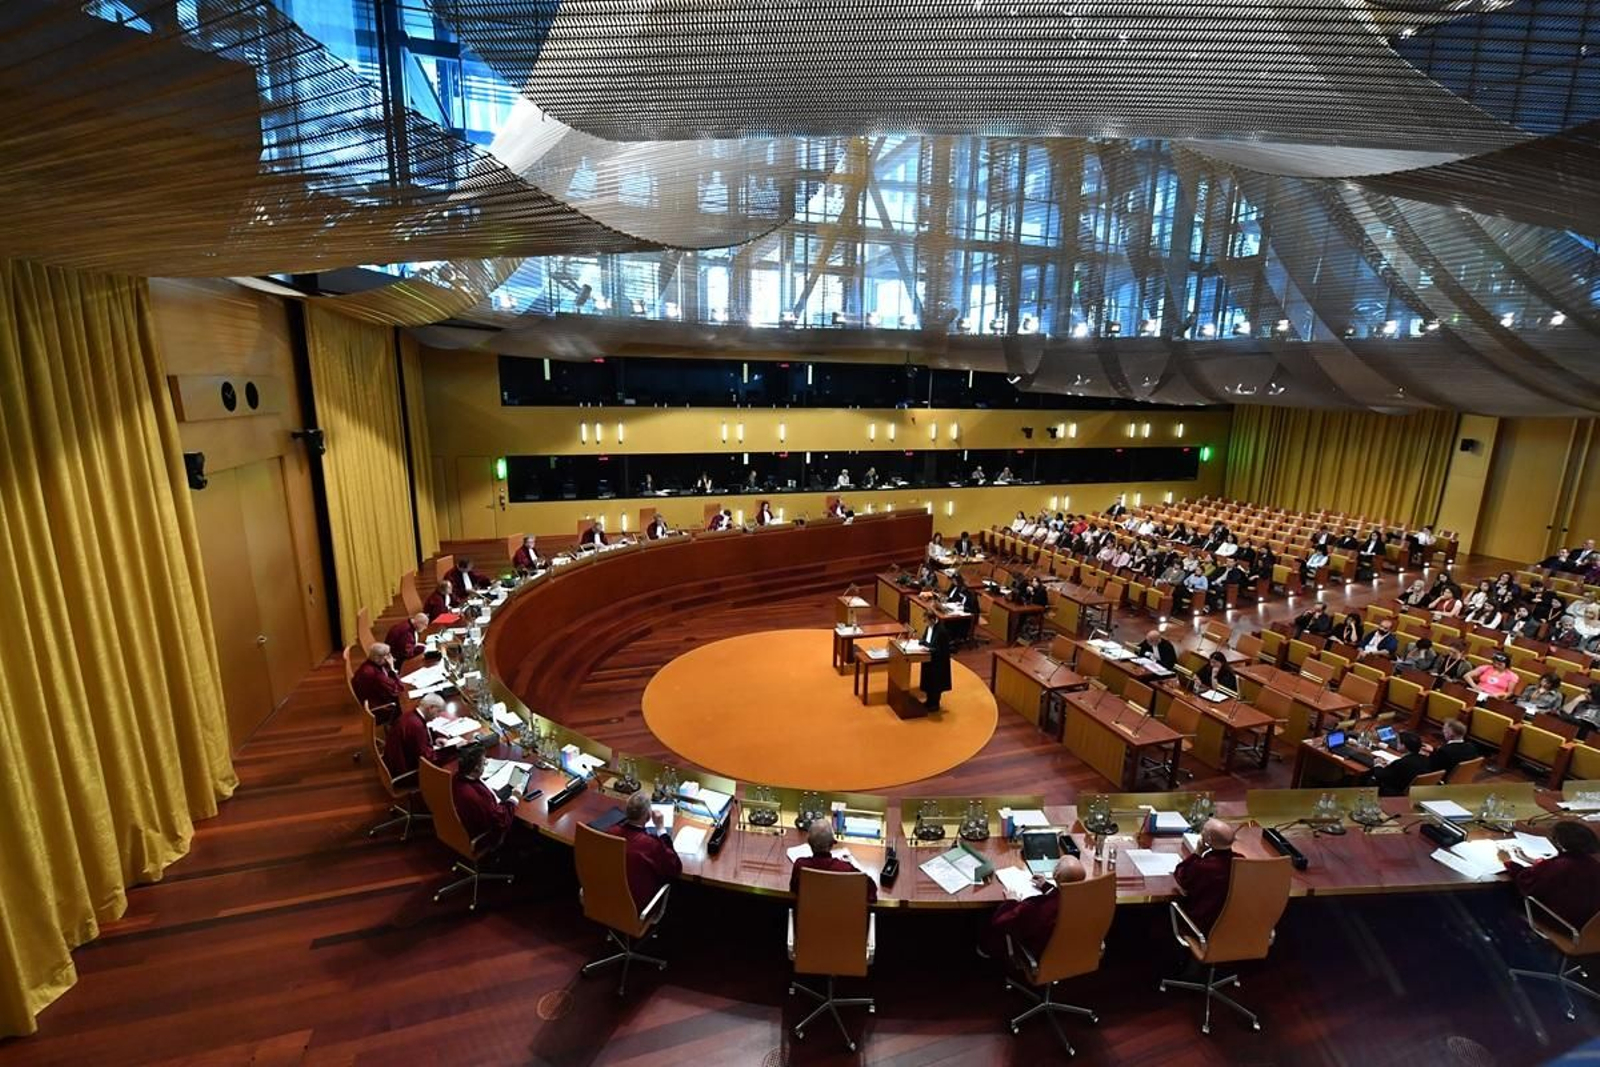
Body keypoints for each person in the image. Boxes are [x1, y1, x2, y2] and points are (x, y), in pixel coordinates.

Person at [978, 855, 1087, 961]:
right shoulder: (1085, 902)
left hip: (1037, 953)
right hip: (1066, 953)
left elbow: (1000, 921)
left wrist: (1011, 901)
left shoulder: (1037, 906)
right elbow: (1060, 895)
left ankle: (986, 951)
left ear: (1056, 874)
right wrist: (1046, 886)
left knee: (990, 927)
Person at [1498, 821, 1600, 931]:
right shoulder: (1593, 864)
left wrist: (1507, 861)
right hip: (1591, 928)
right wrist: (1530, 860)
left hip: (1564, 924)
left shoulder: (1557, 867)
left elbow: (1525, 880)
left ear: (1559, 842)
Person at [610, 791, 684, 909]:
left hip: (608, 895)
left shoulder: (610, 832)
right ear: (649, 817)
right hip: (635, 905)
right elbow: (675, 868)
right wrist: (660, 829)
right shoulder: (650, 844)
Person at [1174, 818, 1237, 933]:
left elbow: (1180, 875)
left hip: (1204, 927)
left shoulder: (1203, 867)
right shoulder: (1242, 862)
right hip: (1234, 927)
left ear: (1207, 840)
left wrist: (1198, 851)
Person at [790, 820, 877, 902]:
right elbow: (871, 892)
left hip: (807, 917)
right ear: (832, 843)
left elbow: (793, 891)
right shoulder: (846, 869)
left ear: (809, 842)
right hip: (842, 917)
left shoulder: (800, 866)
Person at [383, 692, 442, 783]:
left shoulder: (411, 715)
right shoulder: (416, 726)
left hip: (394, 764)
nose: (438, 716)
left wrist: (434, 738)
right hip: (405, 774)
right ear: (431, 708)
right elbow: (427, 759)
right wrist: (452, 750)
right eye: (438, 712)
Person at [353, 642, 405, 720]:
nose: (391, 657)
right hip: (380, 709)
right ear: (380, 658)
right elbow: (398, 689)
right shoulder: (375, 674)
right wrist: (392, 668)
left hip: (373, 698)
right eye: (388, 655)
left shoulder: (369, 664)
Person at [1373, 731, 1429, 797]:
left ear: (1403, 746)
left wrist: (1378, 764)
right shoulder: (1425, 759)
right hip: (1414, 792)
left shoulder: (1403, 763)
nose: (1396, 743)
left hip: (1393, 792)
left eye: (1398, 742)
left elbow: (1380, 775)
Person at [919, 615, 954, 711]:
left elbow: (941, 649)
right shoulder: (929, 626)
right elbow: (925, 638)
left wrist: (929, 649)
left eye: (926, 620)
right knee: (928, 682)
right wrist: (920, 642)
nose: (925, 622)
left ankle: (935, 705)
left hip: (938, 662)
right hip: (928, 658)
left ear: (933, 620)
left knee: (935, 684)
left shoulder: (941, 631)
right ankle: (928, 701)